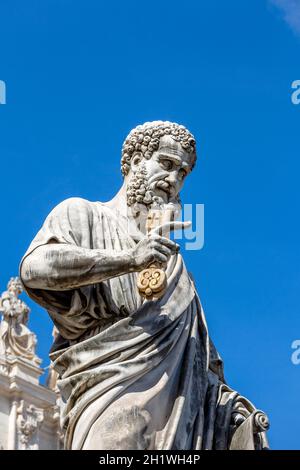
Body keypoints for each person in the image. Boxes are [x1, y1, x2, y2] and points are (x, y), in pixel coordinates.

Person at [20, 121, 269, 450]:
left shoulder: (175, 265)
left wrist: (225, 410)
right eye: (166, 164)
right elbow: (35, 269)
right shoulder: (83, 213)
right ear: (136, 161)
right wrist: (128, 259)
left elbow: (199, 361)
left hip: (180, 418)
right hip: (107, 392)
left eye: (182, 173)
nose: (173, 179)